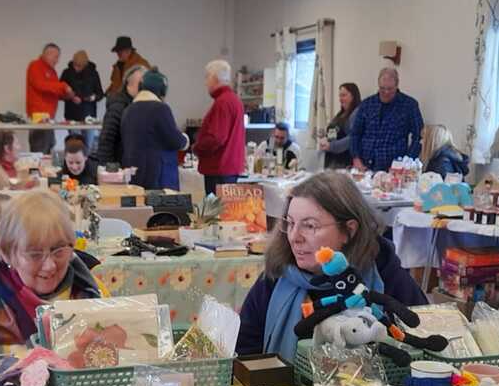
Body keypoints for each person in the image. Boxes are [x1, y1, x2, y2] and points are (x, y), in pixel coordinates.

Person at [236, 172, 425, 362]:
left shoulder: (384, 273)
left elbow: (423, 333)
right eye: (290, 223)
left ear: (349, 231)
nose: (294, 237)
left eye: (309, 226)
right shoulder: (277, 277)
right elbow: (246, 350)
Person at [0, 190, 103, 356]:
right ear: (7, 254)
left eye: (59, 250)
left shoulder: (92, 289)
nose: (49, 266)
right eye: (34, 254)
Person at [120, 70, 187, 190]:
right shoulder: (160, 109)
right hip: (158, 176)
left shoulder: (128, 110)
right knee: (162, 209)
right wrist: (185, 140)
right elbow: (174, 140)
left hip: (134, 174)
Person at [350, 67, 424, 172]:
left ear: (397, 85)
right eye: (382, 88)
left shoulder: (409, 105)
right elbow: (355, 133)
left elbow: (419, 136)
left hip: (394, 168)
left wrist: (406, 162)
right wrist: (356, 158)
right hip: (365, 166)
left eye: (390, 89)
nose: (385, 92)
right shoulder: (367, 104)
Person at [193, 59, 245, 196]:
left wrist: (197, 147)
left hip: (219, 168)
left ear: (214, 78)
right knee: (225, 213)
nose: (205, 82)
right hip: (229, 167)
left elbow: (217, 137)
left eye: (207, 77)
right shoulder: (234, 100)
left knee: (215, 214)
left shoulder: (222, 102)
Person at [26, 43, 78, 154]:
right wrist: (63, 86)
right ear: (47, 54)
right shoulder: (35, 66)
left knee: (49, 146)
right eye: (56, 57)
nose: (57, 60)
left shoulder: (52, 71)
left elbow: (53, 91)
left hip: (49, 118)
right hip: (38, 118)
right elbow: (40, 85)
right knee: (39, 150)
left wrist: (68, 96)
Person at [95, 63, 145, 167]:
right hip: (119, 168)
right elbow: (106, 141)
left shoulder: (140, 105)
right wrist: (109, 171)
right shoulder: (118, 107)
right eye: (141, 83)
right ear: (129, 82)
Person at [321, 82, 361, 170]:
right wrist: (326, 140)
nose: (340, 99)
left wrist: (332, 146)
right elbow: (333, 133)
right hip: (332, 159)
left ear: (353, 96)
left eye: (344, 95)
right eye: (340, 96)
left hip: (344, 161)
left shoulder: (356, 114)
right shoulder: (341, 114)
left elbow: (352, 138)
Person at [60, 50, 104, 123]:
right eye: (75, 65)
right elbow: (60, 92)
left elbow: (100, 94)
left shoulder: (93, 74)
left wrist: (92, 98)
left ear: (85, 65)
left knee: (90, 134)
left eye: (79, 66)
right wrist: (71, 97)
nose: (76, 68)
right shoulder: (67, 73)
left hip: (89, 115)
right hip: (71, 114)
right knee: (73, 135)